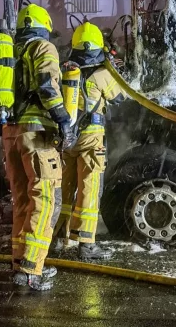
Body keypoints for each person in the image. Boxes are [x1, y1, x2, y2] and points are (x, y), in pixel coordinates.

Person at [0, 4, 76, 291]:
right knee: (44, 199)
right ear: (44, 25)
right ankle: (32, 270)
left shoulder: (10, 53)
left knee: (21, 200)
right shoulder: (43, 47)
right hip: (36, 134)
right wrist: (64, 120)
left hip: (10, 133)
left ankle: (20, 263)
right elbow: (47, 86)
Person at [52, 22, 126, 259]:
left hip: (68, 138)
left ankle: (55, 238)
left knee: (65, 190)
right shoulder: (103, 74)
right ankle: (86, 244)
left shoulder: (67, 71)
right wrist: (116, 69)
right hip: (91, 139)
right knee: (89, 189)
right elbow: (120, 97)